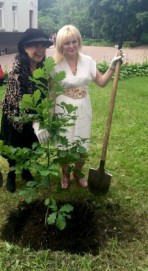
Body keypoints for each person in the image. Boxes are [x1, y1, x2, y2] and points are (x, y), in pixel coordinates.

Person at [53, 25, 123, 189]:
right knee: (63, 144)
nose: (71, 46)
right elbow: (52, 93)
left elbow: (101, 82)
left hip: (83, 108)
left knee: (81, 145)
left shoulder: (88, 61)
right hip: (62, 108)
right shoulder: (55, 65)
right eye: (66, 43)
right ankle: (65, 173)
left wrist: (112, 66)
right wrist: (50, 116)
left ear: (79, 41)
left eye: (74, 41)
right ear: (60, 45)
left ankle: (77, 173)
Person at [0, 28, 52, 192]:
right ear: (24, 48)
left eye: (43, 45)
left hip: (35, 115)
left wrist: (44, 114)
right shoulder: (18, 67)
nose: (40, 50)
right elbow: (18, 99)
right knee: (14, 145)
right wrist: (36, 122)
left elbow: (47, 91)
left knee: (29, 145)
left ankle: (26, 169)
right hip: (15, 115)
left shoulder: (43, 68)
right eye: (35, 45)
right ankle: (12, 173)